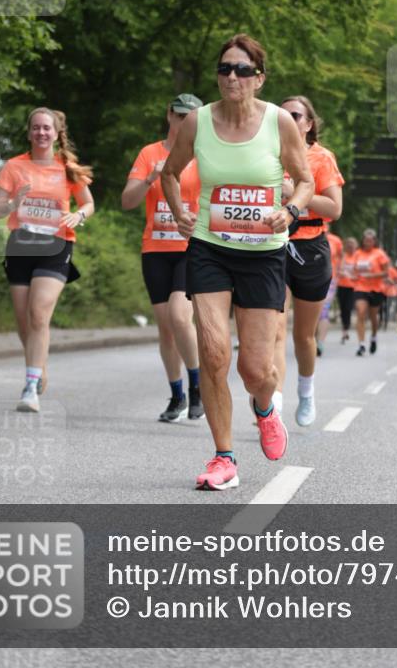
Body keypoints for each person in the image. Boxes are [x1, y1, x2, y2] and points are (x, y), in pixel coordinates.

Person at [161, 34, 314, 491]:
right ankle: (223, 457)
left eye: (242, 70)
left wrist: (288, 211)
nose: (232, 76)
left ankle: (265, 409)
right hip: (210, 246)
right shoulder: (197, 122)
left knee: (255, 370)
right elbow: (170, 172)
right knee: (213, 353)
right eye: (225, 68)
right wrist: (178, 211)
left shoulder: (280, 122)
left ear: (258, 78)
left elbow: (304, 181)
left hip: (264, 254)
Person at [0, 108, 94, 413]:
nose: (41, 133)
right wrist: (13, 202)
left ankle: (30, 386)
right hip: (20, 244)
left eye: (46, 128)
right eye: (35, 128)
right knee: (24, 319)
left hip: (56, 244)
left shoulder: (67, 167)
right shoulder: (13, 166)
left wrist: (78, 215)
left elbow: (88, 203)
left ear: (55, 133)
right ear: (29, 133)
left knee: (38, 314)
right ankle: (38, 367)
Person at [122, 94, 204, 422]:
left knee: (180, 317)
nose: (184, 122)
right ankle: (177, 395)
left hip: (191, 249)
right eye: (180, 116)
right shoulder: (149, 153)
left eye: (191, 117)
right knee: (166, 329)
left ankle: (197, 386)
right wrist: (149, 178)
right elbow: (127, 200)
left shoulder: (204, 155)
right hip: (156, 250)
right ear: (169, 115)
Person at [272, 96, 344, 425]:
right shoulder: (268, 153)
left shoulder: (321, 157)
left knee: (303, 335)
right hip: (272, 244)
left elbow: (334, 209)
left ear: (308, 123)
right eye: (282, 114)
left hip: (311, 246)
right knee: (274, 327)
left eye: (295, 115)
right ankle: (274, 401)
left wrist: (295, 196)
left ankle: (306, 391)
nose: (287, 118)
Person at [353, 229, 390, 356]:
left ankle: (374, 337)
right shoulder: (358, 253)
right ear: (362, 241)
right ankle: (361, 344)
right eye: (365, 240)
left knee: (374, 317)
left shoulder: (380, 254)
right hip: (360, 287)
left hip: (376, 288)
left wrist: (373, 275)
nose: (367, 242)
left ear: (374, 241)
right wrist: (354, 275)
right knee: (361, 312)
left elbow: (386, 272)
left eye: (370, 240)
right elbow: (354, 270)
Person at [315, 226, 343, 356]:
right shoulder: (309, 235)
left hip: (330, 278)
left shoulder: (335, 241)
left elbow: (341, 258)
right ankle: (311, 339)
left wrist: (338, 273)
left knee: (323, 310)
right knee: (313, 310)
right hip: (310, 277)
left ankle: (320, 342)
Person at [337, 237, 358, 343]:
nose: (350, 245)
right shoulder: (343, 256)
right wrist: (343, 273)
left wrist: (352, 276)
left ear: (356, 245)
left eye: (352, 243)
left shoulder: (358, 256)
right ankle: (344, 329)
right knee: (343, 309)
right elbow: (339, 270)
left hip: (353, 287)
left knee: (348, 308)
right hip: (342, 285)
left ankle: (346, 329)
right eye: (348, 243)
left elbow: (360, 272)